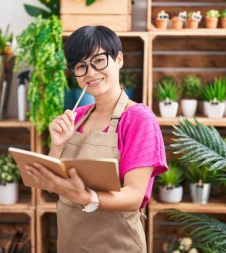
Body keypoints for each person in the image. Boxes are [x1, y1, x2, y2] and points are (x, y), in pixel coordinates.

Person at [26, 25, 168, 253]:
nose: (90, 72)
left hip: (116, 245)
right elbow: (52, 185)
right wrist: (57, 145)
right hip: (70, 244)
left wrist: (87, 197)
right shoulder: (77, 117)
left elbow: (134, 195)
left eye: (99, 61)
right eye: (81, 66)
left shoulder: (138, 119)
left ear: (119, 59)